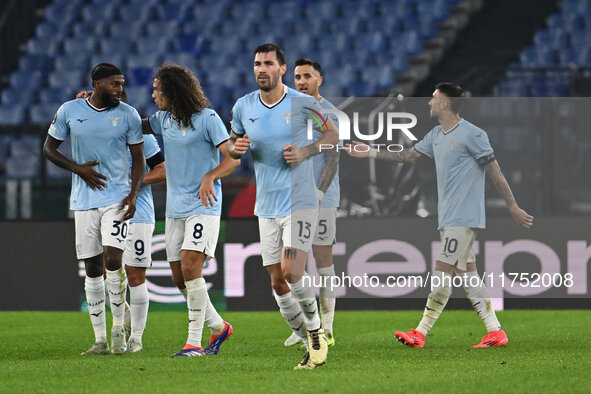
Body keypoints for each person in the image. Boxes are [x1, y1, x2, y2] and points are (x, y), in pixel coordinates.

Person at [346, 82, 533, 348]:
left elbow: (496, 173)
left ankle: (420, 332)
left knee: (442, 270)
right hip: (448, 216)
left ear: (445, 103)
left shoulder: (473, 134)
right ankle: (495, 332)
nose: (429, 102)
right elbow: (409, 156)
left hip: (464, 216)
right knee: (468, 275)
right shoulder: (436, 135)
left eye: (434, 98)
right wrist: (371, 151)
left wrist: (512, 206)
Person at [227, 44, 339, 369]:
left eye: (268, 64)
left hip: (299, 201)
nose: (262, 69)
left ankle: (317, 335)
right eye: (257, 64)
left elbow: (333, 135)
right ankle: (307, 336)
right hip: (267, 204)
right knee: (277, 282)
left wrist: (306, 151)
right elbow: (233, 148)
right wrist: (237, 148)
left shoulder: (302, 103)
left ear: (282, 68)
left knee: (293, 271)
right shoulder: (243, 106)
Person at [43, 63, 145, 355]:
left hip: (117, 198)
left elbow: (139, 160)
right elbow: (49, 149)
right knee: (92, 268)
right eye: (115, 84)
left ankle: (117, 332)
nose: (120, 89)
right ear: (98, 84)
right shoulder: (69, 111)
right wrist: (78, 169)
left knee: (113, 259)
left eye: (122, 84)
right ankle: (99, 339)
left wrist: (133, 194)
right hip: (84, 201)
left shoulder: (128, 115)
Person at [143, 64, 239, 357]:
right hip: (176, 208)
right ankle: (219, 326)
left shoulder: (208, 119)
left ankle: (193, 343)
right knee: (178, 277)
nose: (153, 94)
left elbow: (233, 158)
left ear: (173, 91)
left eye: (158, 89)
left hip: (204, 205)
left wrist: (210, 176)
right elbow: (127, 123)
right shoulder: (163, 120)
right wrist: (95, 102)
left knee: (189, 267)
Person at [283, 57, 339, 348]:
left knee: (322, 261)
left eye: (307, 76)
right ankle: (303, 325)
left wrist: (319, 194)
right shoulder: (291, 110)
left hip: (321, 197)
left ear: (320, 80)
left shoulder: (329, 113)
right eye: (297, 77)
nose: (301, 81)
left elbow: (334, 156)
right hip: (291, 197)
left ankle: (327, 327)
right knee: (292, 263)